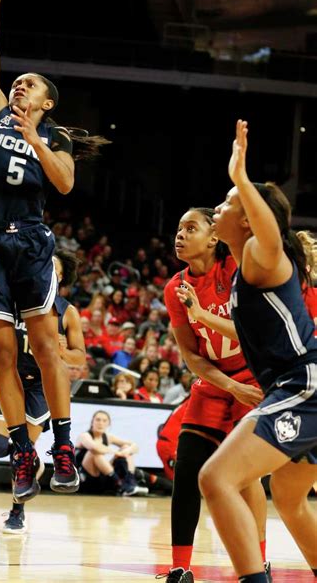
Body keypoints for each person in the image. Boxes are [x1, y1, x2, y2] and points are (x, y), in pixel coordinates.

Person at [0, 0, 109, 503]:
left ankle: (64, 446)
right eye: (17, 82)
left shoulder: (54, 138)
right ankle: (25, 453)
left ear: (48, 103)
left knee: (46, 348)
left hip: (29, 242)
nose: (19, 86)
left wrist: (33, 140)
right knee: (2, 353)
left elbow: (67, 183)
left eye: (30, 85)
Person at [198, 120, 317, 583]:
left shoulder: (258, 252)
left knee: (216, 479)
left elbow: (270, 234)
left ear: (248, 215)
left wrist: (243, 181)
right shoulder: (240, 268)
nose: (218, 206)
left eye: (227, 203)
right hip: (294, 385)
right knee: (288, 498)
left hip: (303, 384)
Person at [162, 205, 269, 583]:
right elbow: (191, 355)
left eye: (190, 228)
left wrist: (204, 315)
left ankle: (259, 564)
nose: (180, 234)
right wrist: (227, 386)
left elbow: (254, 332)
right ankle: (179, 568)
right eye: (178, 228)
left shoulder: (237, 270)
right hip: (216, 384)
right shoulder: (175, 288)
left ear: (213, 237)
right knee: (187, 470)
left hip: (255, 377)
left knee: (244, 477)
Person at [0, 251, 85, 533]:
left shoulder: (67, 311)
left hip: (41, 387)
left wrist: (63, 349)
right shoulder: (14, 300)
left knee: (20, 455)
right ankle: (31, 458)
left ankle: (17, 512)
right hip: (12, 379)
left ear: (60, 278)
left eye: (52, 267)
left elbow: (80, 358)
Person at [75, 410, 148, 496]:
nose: (100, 423)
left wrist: (125, 451)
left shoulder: (109, 437)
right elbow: (94, 447)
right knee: (94, 453)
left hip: (102, 478)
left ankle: (130, 481)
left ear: (108, 424)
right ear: (92, 422)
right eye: (98, 420)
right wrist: (116, 452)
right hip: (84, 478)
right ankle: (120, 485)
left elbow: (135, 447)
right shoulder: (84, 436)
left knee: (125, 447)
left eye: (104, 421)